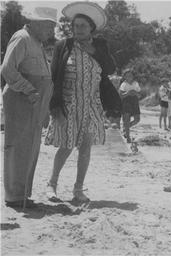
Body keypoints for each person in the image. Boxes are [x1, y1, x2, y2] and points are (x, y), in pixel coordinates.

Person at [45, 2, 116, 202]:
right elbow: (54, 77)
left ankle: (78, 190)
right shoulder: (63, 45)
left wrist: (93, 50)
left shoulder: (100, 45)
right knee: (67, 145)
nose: (78, 30)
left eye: (83, 26)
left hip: (93, 104)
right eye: (75, 26)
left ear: (91, 28)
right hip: (68, 103)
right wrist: (54, 106)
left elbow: (110, 69)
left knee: (85, 147)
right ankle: (52, 184)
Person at [1, 7, 57, 208]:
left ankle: (22, 193)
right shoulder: (22, 38)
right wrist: (28, 90)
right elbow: (7, 69)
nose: (51, 32)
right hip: (22, 100)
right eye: (49, 27)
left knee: (30, 147)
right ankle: (15, 196)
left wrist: (45, 108)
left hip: (33, 102)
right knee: (18, 146)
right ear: (37, 23)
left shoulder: (36, 42)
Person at [119, 69, 141, 143]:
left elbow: (139, 95)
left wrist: (135, 93)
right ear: (124, 76)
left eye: (131, 75)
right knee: (126, 119)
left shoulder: (136, 83)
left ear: (133, 76)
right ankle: (128, 137)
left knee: (137, 119)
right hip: (126, 101)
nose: (129, 77)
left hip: (135, 101)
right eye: (127, 75)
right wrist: (128, 93)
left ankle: (126, 128)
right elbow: (121, 96)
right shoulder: (123, 84)